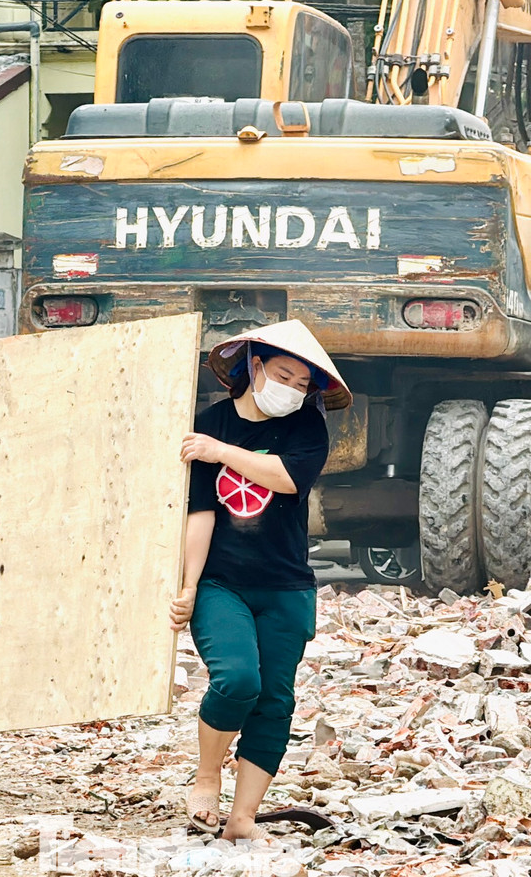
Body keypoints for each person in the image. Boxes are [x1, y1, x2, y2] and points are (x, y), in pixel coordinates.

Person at [170, 319, 350, 843]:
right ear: (254, 367)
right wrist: (188, 586)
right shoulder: (209, 423)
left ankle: (242, 819)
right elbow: (199, 513)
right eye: (283, 376)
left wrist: (220, 452)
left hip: (287, 587)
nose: (292, 390)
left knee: (275, 701)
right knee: (237, 680)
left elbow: (287, 479)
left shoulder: (306, 427)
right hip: (221, 583)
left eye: (302, 384)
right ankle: (207, 777)